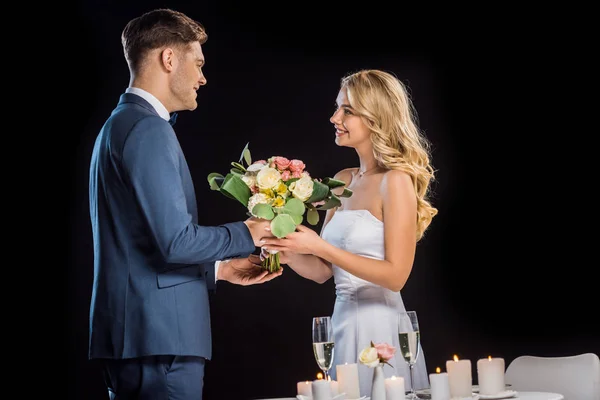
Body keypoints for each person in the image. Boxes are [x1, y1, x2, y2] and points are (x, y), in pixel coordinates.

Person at [88, 8, 281, 400]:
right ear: (169, 59)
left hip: (139, 338)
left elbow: (138, 244)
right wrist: (248, 233)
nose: (202, 77)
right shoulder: (148, 129)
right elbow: (176, 242)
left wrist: (218, 271)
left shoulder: (118, 125)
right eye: (198, 63)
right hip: (160, 342)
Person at [260, 69, 438, 396]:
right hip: (341, 325)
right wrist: (286, 251)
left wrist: (320, 246)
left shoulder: (395, 181)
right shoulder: (342, 180)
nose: (334, 117)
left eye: (347, 110)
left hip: (382, 327)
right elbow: (323, 272)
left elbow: (396, 276)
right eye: (337, 108)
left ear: (375, 117)